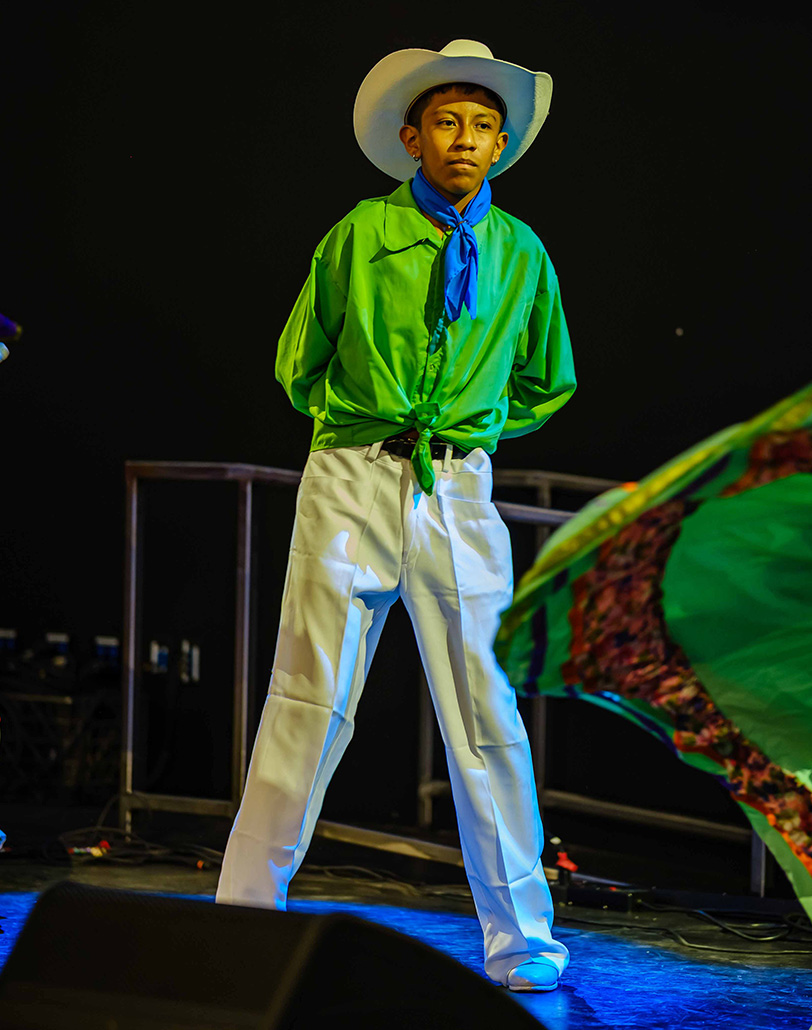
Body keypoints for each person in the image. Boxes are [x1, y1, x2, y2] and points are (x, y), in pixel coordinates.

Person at [216, 39, 576, 993]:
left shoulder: (519, 251)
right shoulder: (360, 233)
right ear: (413, 138)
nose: (467, 139)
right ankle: (246, 922)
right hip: (353, 474)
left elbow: (547, 379)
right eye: (449, 122)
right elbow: (302, 361)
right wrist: (366, 427)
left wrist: (469, 428)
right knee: (308, 695)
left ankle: (523, 942)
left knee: (487, 713)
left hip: (457, 485)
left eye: (484, 126)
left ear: (500, 145)